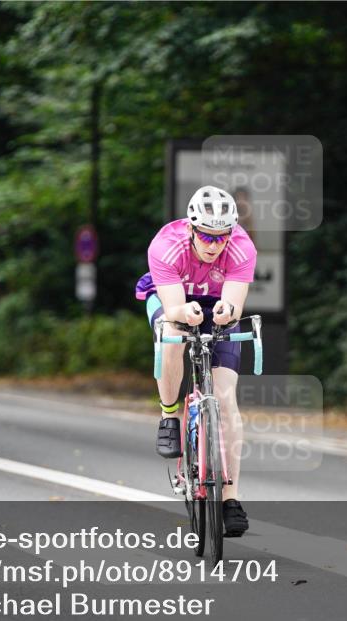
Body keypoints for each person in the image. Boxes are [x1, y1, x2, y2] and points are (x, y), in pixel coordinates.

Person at [134, 185, 256, 536]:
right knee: (172, 331)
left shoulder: (242, 247)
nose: (214, 244)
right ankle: (169, 414)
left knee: (226, 397)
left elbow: (234, 306)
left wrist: (226, 312)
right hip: (172, 297)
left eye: (222, 236)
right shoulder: (166, 245)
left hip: (215, 301)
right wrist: (181, 312)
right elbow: (173, 308)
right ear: (191, 227)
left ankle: (230, 498)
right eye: (206, 235)